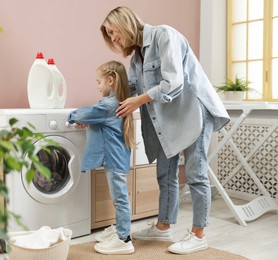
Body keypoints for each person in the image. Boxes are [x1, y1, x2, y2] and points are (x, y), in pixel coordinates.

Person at [100, 6, 230, 255]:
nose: (113, 38)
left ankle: (198, 234)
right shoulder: (136, 58)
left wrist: (138, 101)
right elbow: (132, 88)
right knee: (165, 173)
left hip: (193, 110)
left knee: (196, 172)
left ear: (125, 23)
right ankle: (163, 226)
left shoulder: (163, 35)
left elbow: (173, 82)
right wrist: (102, 97)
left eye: (113, 31)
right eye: (109, 34)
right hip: (171, 117)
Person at [68, 60, 135, 255]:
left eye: (99, 82)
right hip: (118, 158)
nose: (97, 86)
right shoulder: (118, 102)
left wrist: (72, 116)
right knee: (119, 198)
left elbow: (85, 114)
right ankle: (119, 230)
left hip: (114, 160)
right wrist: (91, 123)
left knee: (120, 199)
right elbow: (100, 121)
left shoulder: (108, 104)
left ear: (111, 80)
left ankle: (124, 239)